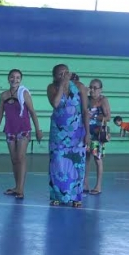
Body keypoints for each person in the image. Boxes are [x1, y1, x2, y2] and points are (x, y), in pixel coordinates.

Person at [0, 69, 42, 199]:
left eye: (18, 77)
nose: (15, 79)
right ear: (8, 79)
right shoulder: (4, 95)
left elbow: (32, 112)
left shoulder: (24, 93)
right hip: (10, 130)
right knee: (14, 159)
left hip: (23, 129)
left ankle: (21, 188)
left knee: (20, 157)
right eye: (12, 77)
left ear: (21, 79)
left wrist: (38, 129)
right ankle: (16, 186)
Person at [47, 66, 89, 207]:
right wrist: (62, 85)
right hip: (58, 133)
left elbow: (84, 110)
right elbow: (55, 103)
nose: (64, 75)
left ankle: (76, 197)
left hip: (77, 132)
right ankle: (57, 196)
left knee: (77, 164)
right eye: (60, 74)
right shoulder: (51, 88)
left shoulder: (80, 87)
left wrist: (87, 133)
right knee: (57, 162)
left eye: (66, 72)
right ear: (55, 76)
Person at [85, 80, 111, 194]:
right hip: (86, 132)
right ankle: (85, 183)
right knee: (85, 158)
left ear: (100, 89)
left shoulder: (103, 100)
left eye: (95, 88)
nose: (92, 90)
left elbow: (108, 117)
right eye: (91, 87)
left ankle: (98, 186)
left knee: (97, 159)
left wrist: (95, 116)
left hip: (97, 133)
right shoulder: (86, 99)